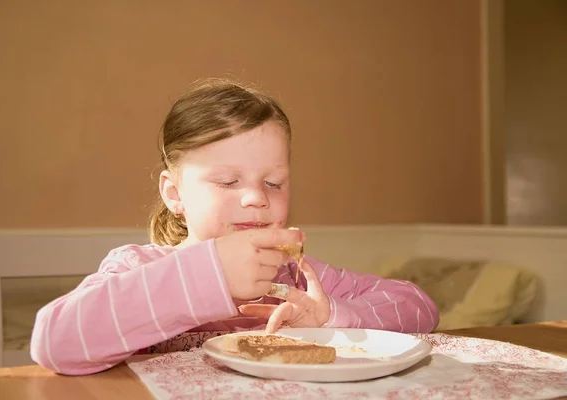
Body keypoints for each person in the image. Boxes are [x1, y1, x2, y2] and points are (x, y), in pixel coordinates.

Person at [30, 78, 439, 376]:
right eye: (227, 182)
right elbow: (54, 342)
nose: (255, 198)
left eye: (273, 183)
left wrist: (331, 315)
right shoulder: (139, 268)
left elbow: (419, 307)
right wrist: (210, 275)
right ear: (175, 195)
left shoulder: (295, 276)